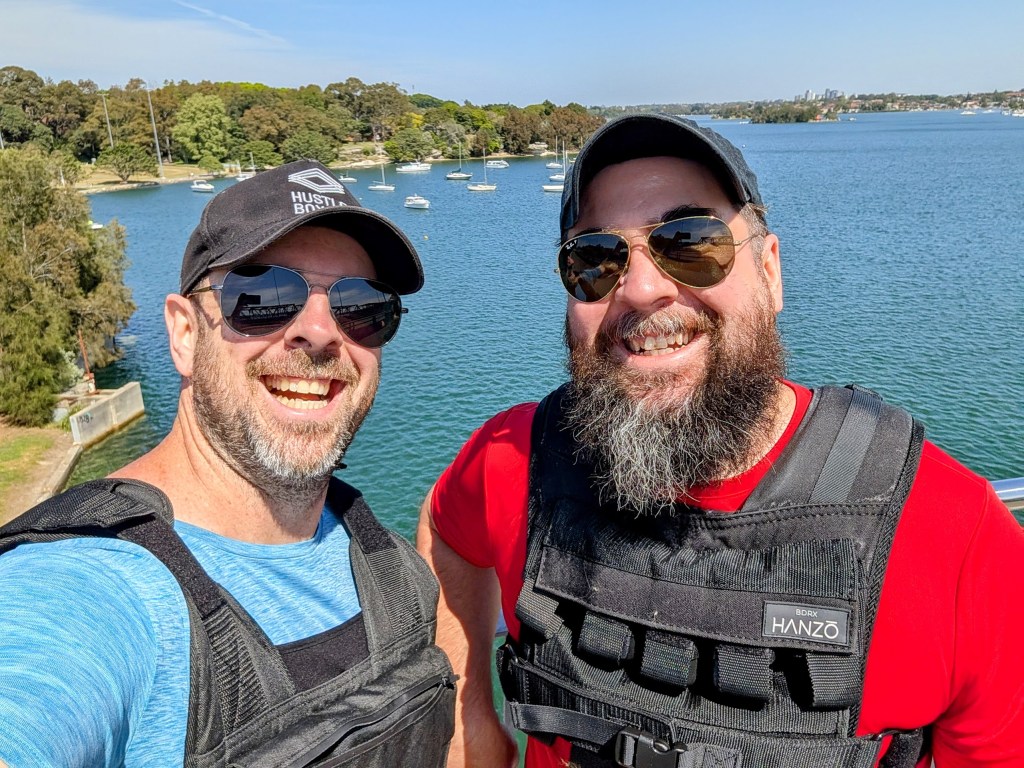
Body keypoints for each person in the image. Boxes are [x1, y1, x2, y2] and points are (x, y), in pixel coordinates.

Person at [416, 115, 1024, 768]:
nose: (641, 288)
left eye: (690, 242)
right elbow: (448, 527)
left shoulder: (953, 534)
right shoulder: (516, 459)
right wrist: (469, 711)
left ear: (770, 271)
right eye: (595, 259)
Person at [0, 160, 455, 767]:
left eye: (361, 305)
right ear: (185, 334)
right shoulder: (87, 588)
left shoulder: (393, 565)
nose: (320, 333)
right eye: (263, 296)